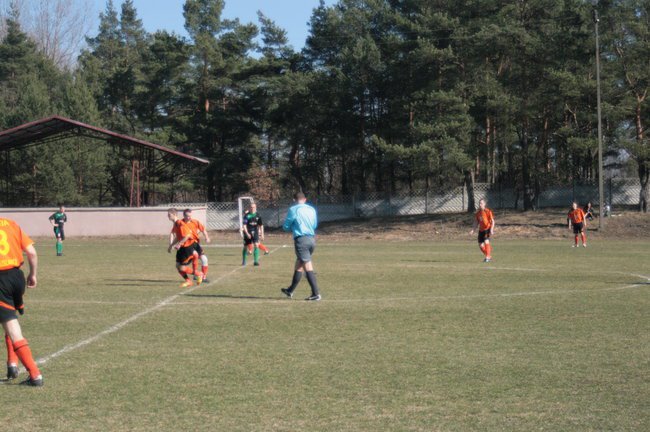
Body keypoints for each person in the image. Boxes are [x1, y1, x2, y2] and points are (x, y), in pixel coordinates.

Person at [0, 216, 43, 386]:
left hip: (1, 280)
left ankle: (35, 375)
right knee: (8, 318)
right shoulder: (11, 224)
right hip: (17, 277)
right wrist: (33, 274)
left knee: (11, 325)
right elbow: (31, 252)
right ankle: (12, 364)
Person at [280, 192, 321, 301]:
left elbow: (286, 226)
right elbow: (314, 225)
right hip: (311, 239)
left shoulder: (294, 209)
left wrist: (290, 228)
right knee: (299, 264)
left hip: (301, 240)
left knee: (307, 266)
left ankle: (316, 293)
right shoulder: (312, 209)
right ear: (305, 199)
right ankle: (290, 290)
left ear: (294, 200)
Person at [167, 208, 202, 287]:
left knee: (182, 268)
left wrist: (179, 244)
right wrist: (171, 245)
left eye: (169, 215)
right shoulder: (175, 224)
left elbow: (187, 235)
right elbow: (178, 237)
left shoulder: (180, 223)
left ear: (174, 215)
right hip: (182, 247)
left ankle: (198, 274)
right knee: (177, 266)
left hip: (187, 247)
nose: (168, 216)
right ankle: (188, 281)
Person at [182, 209, 211, 283]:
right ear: (184, 215)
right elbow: (175, 233)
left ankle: (203, 277)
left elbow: (203, 230)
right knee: (182, 264)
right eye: (187, 216)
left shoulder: (195, 222)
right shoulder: (180, 223)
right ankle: (195, 274)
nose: (189, 217)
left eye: (190, 216)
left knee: (204, 259)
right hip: (186, 246)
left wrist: (207, 237)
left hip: (195, 244)